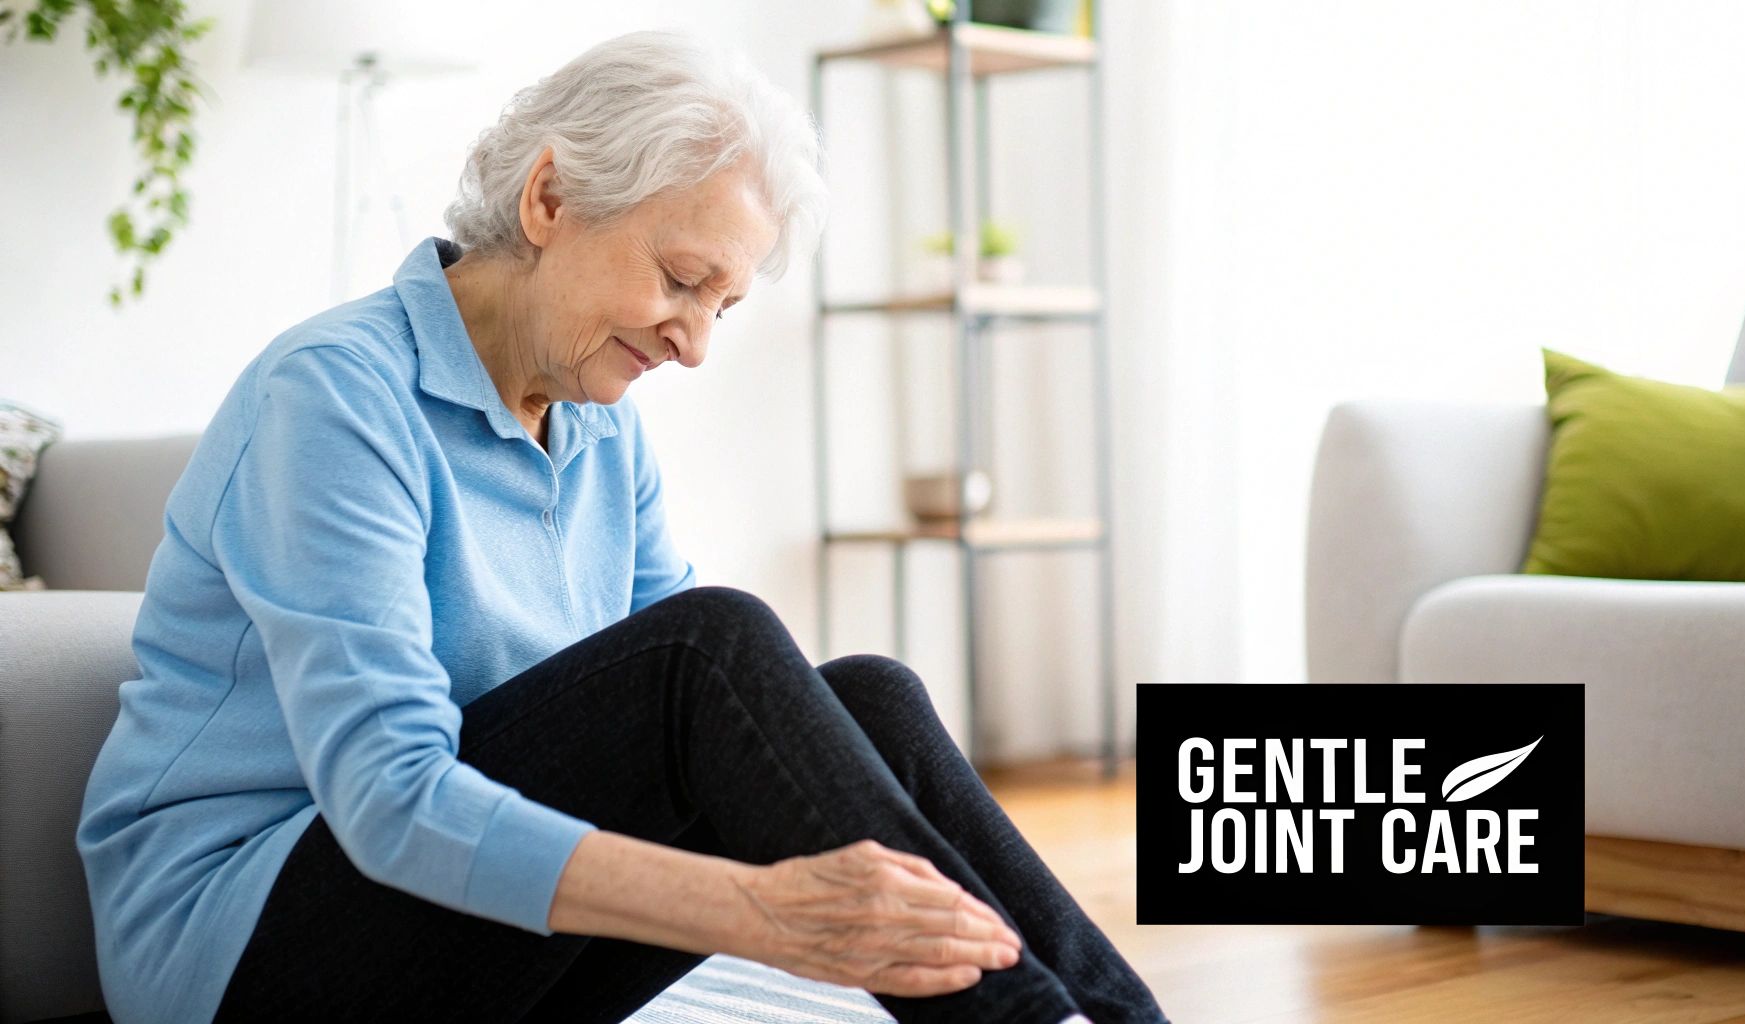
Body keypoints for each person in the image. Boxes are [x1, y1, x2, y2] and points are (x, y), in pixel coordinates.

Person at [76, 29, 1167, 1024]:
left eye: (721, 308)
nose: (693, 345)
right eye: (681, 281)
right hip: (240, 955)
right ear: (549, 199)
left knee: (871, 696)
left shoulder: (598, 429)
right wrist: (757, 909)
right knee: (710, 640)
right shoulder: (334, 396)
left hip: (460, 927)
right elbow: (390, 797)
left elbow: (714, 732)